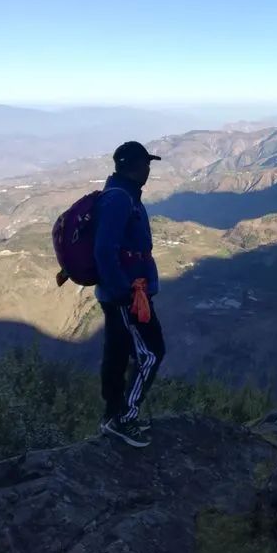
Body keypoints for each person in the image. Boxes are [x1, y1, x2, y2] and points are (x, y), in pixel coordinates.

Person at [94, 141, 165, 447]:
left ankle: (113, 416)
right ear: (134, 167)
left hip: (123, 294)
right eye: (146, 163)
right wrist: (123, 291)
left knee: (117, 354)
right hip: (126, 296)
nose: (149, 168)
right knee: (151, 353)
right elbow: (103, 250)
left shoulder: (123, 195)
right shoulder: (120, 200)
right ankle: (124, 418)